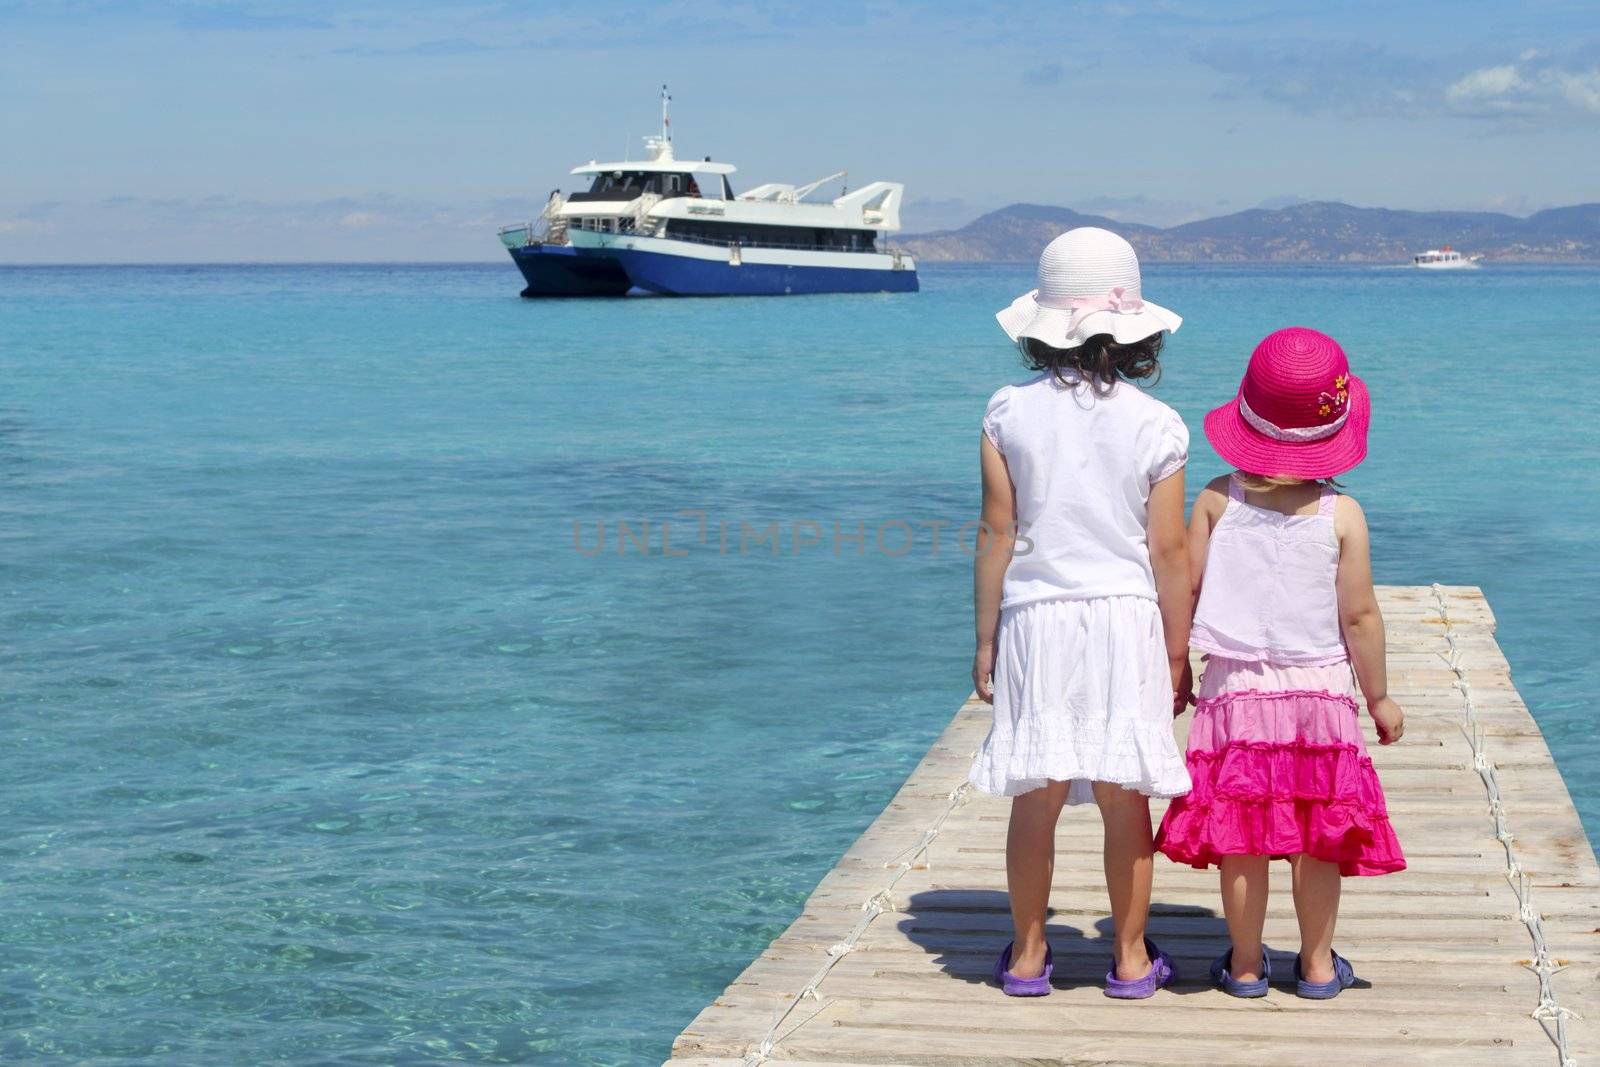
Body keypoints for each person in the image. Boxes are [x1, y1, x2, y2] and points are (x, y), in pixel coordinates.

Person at [968, 228, 1192, 999]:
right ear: (1136, 331)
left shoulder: (1008, 414)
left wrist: (986, 636)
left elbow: (999, 533)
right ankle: (1130, 959)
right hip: (1127, 620)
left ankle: (1029, 956)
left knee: (1040, 795)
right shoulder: (1157, 425)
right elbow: (1168, 553)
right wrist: (1176, 647)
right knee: (1125, 796)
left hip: (1037, 619)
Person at [1155, 326, 1406, 1000]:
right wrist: (1378, 696)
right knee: (1317, 836)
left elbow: (1186, 586)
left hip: (1234, 693)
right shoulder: (1341, 513)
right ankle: (1318, 964)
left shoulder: (1214, 499)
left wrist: (1173, 665)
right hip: (1320, 696)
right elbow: (1359, 617)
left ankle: (1243, 963)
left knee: (1242, 835)